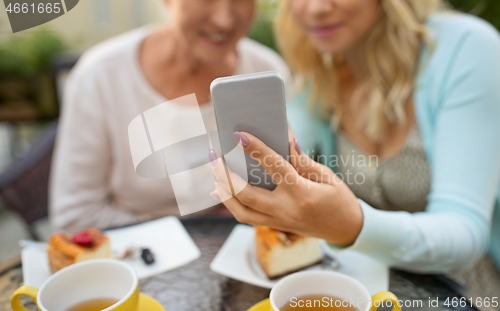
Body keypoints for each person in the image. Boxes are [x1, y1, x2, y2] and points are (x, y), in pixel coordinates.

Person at [212, 0, 500, 297]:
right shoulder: (318, 68)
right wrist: (259, 180)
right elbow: (289, 171)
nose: (316, 9)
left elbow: (465, 234)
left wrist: (352, 225)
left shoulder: (466, 48)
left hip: (456, 290)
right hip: (360, 284)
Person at [50, 0, 290, 233]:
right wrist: (182, 242)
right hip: (133, 254)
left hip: (233, 246)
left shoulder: (265, 74)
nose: (224, 20)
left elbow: (274, 189)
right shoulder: (99, 78)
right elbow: (75, 216)